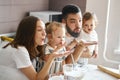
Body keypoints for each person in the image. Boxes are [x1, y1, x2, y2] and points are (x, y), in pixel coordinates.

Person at [0, 16, 69, 80]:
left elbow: (40, 76)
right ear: (28, 33)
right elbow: (36, 79)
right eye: (39, 30)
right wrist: (51, 57)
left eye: (44, 30)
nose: (44, 33)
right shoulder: (19, 50)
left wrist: (56, 75)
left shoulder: (32, 49)